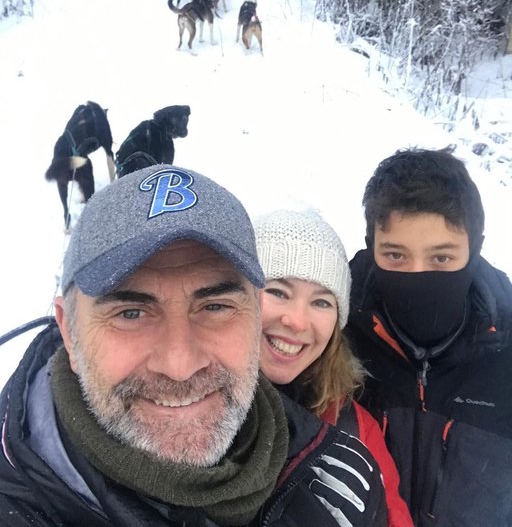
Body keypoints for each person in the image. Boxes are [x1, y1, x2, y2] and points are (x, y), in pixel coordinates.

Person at [0, 165, 388, 527]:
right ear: (69, 331)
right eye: (131, 313)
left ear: (255, 314)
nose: (180, 366)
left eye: (215, 307)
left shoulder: (342, 486)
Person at [346, 146, 512, 526]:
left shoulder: (506, 355)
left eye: (441, 258)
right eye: (395, 255)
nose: (417, 274)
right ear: (372, 246)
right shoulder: (333, 338)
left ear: (474, 249)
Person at [254, 209, 413, 527]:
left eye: (321, 302)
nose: (297, 322)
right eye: (278, 292)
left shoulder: (355, 428)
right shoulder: (176, 402)